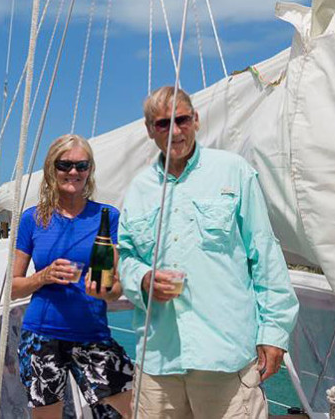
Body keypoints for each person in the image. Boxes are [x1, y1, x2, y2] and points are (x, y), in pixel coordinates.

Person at [118, 86, 300, 419]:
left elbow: (265, 255)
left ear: (196, 120)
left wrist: (273, 333)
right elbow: (127, 258)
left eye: (182, 120)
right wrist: (143, 279)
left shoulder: (234, 171)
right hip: (159, 360)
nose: (175, 132)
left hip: (225, 356)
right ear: (149, 131)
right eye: (162, 124)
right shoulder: (139, 190)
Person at [12, 134, 134, 418]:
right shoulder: (33, 219)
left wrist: (103, 290)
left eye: (82, 165)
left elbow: (115, 288)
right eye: (65, 165)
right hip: (42, 335)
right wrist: (43, 277)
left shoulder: (107, 216)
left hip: (93, 334)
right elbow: (12, 288)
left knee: (132, 411)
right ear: (51, 169)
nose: (73, 172)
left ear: (90, 169)